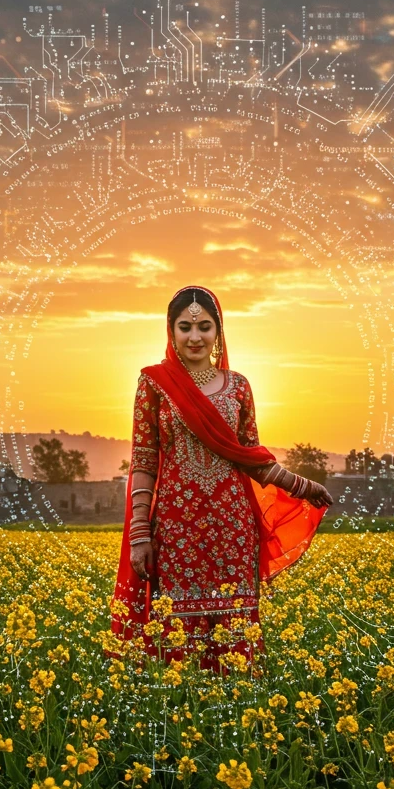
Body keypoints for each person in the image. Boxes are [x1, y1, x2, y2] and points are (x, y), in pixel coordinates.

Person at [109, 285, 334, 675]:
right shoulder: (154, 385)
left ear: (218, 332)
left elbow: (254, 459)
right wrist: (141, 537)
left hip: (232, 528)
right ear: (171, 331)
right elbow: (144, 462)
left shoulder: (239, 386)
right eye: (185, 327)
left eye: (204, 327)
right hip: (176, 529)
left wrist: (304, 486)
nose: (195, 337)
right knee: (177, 627)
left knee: (235, 624)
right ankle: (183, 716)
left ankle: (238, 710)